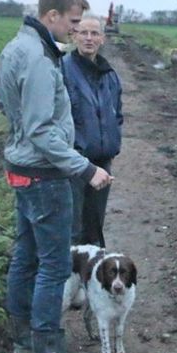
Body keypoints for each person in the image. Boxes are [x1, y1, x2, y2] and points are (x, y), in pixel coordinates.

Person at [0, 0, 112, 353]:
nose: (77, 30)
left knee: (25, 257)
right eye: (74, 21)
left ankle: (24, 343)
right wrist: (85, 169)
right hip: (45, 174)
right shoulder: (42, 61)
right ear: (52, 16)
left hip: (21, 167)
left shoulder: (15, 48)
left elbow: (5, 107)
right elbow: (42, 129)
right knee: (54, 266)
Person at [63, 14, 123, 247]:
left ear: (102, 39)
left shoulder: (110, 75)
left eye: (94, 33)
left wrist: (112, 143)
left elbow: (117, 114)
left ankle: (93, 279)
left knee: (95, 226)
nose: (89, 38)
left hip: (103, 161)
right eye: (83, 33)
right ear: (74, 36)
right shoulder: (63, 70)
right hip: (75, 164)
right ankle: (68, 279)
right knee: (73, 228)